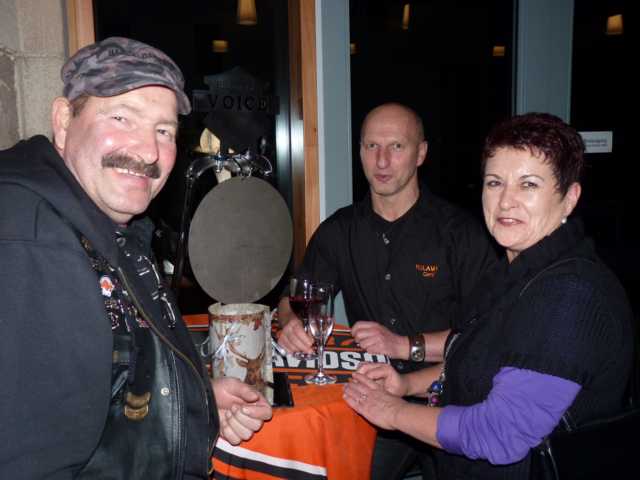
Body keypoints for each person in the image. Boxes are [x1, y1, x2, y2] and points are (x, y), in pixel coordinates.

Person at [0, 37, 271, 479]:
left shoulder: (103, 226)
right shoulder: (33, 242)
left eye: (164, 131)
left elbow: (110, 377)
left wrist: (195, 399)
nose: (148, 151)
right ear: (64, 121)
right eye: (122, 117)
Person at [343, 112, 634, 479]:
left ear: (569, 198)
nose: (506, 201)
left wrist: (393, 412)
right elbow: (479, 360)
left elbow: (499, 433)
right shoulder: (514, 272)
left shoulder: (570, 295)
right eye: (495, 182)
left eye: (528, 185)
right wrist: (407, 385)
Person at [277, 102, 497, 479]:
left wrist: (403, 345)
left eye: (396, 146)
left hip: (451, 396)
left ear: (420, 153)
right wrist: (291, 321)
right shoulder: (339, 230)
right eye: (371, 146)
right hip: (375, 398)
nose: (381, 161)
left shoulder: (461, 234)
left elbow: (486, 338)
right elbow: (295, 297)